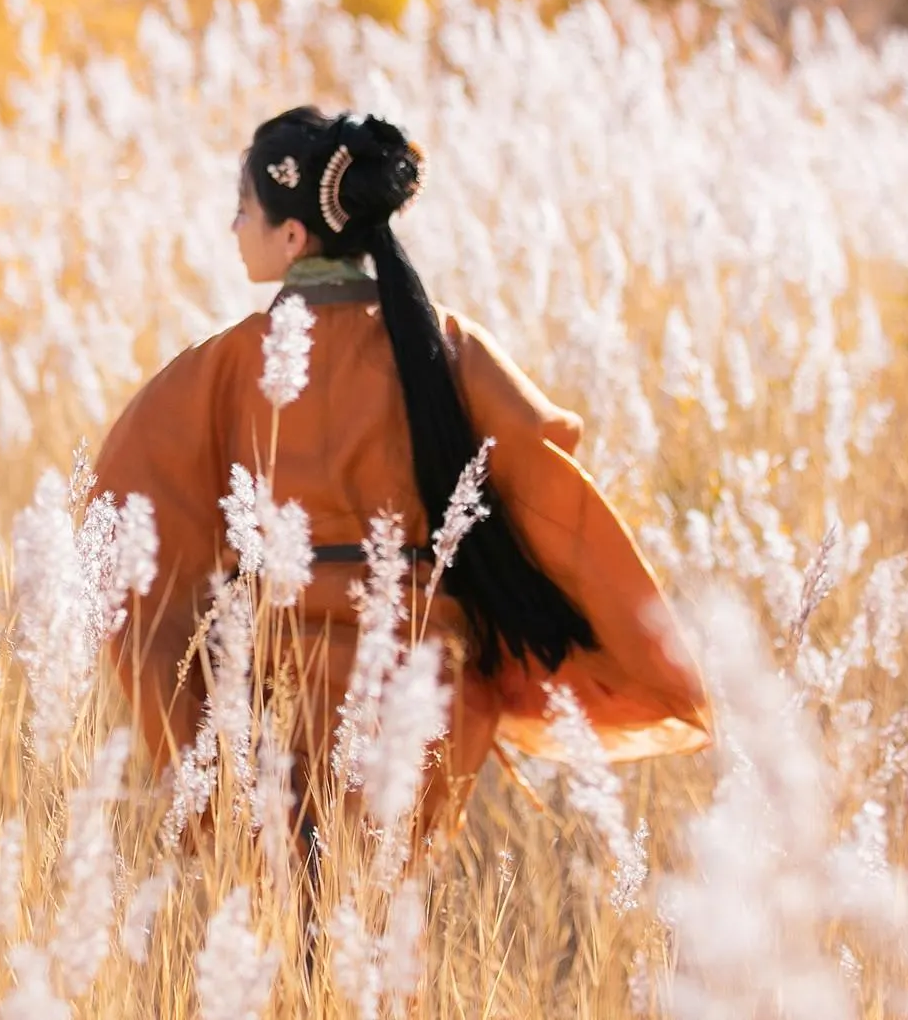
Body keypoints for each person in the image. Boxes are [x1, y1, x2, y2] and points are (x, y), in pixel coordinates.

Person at [90, 106, 713, 847]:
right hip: (424, 688)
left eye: (242, 211)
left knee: (285, 927)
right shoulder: (440, 343)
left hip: (272, 691)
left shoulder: (222, 366)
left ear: (292, 236)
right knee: (378, 924)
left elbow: (124, 507)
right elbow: (542, 464)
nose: (233, 228)